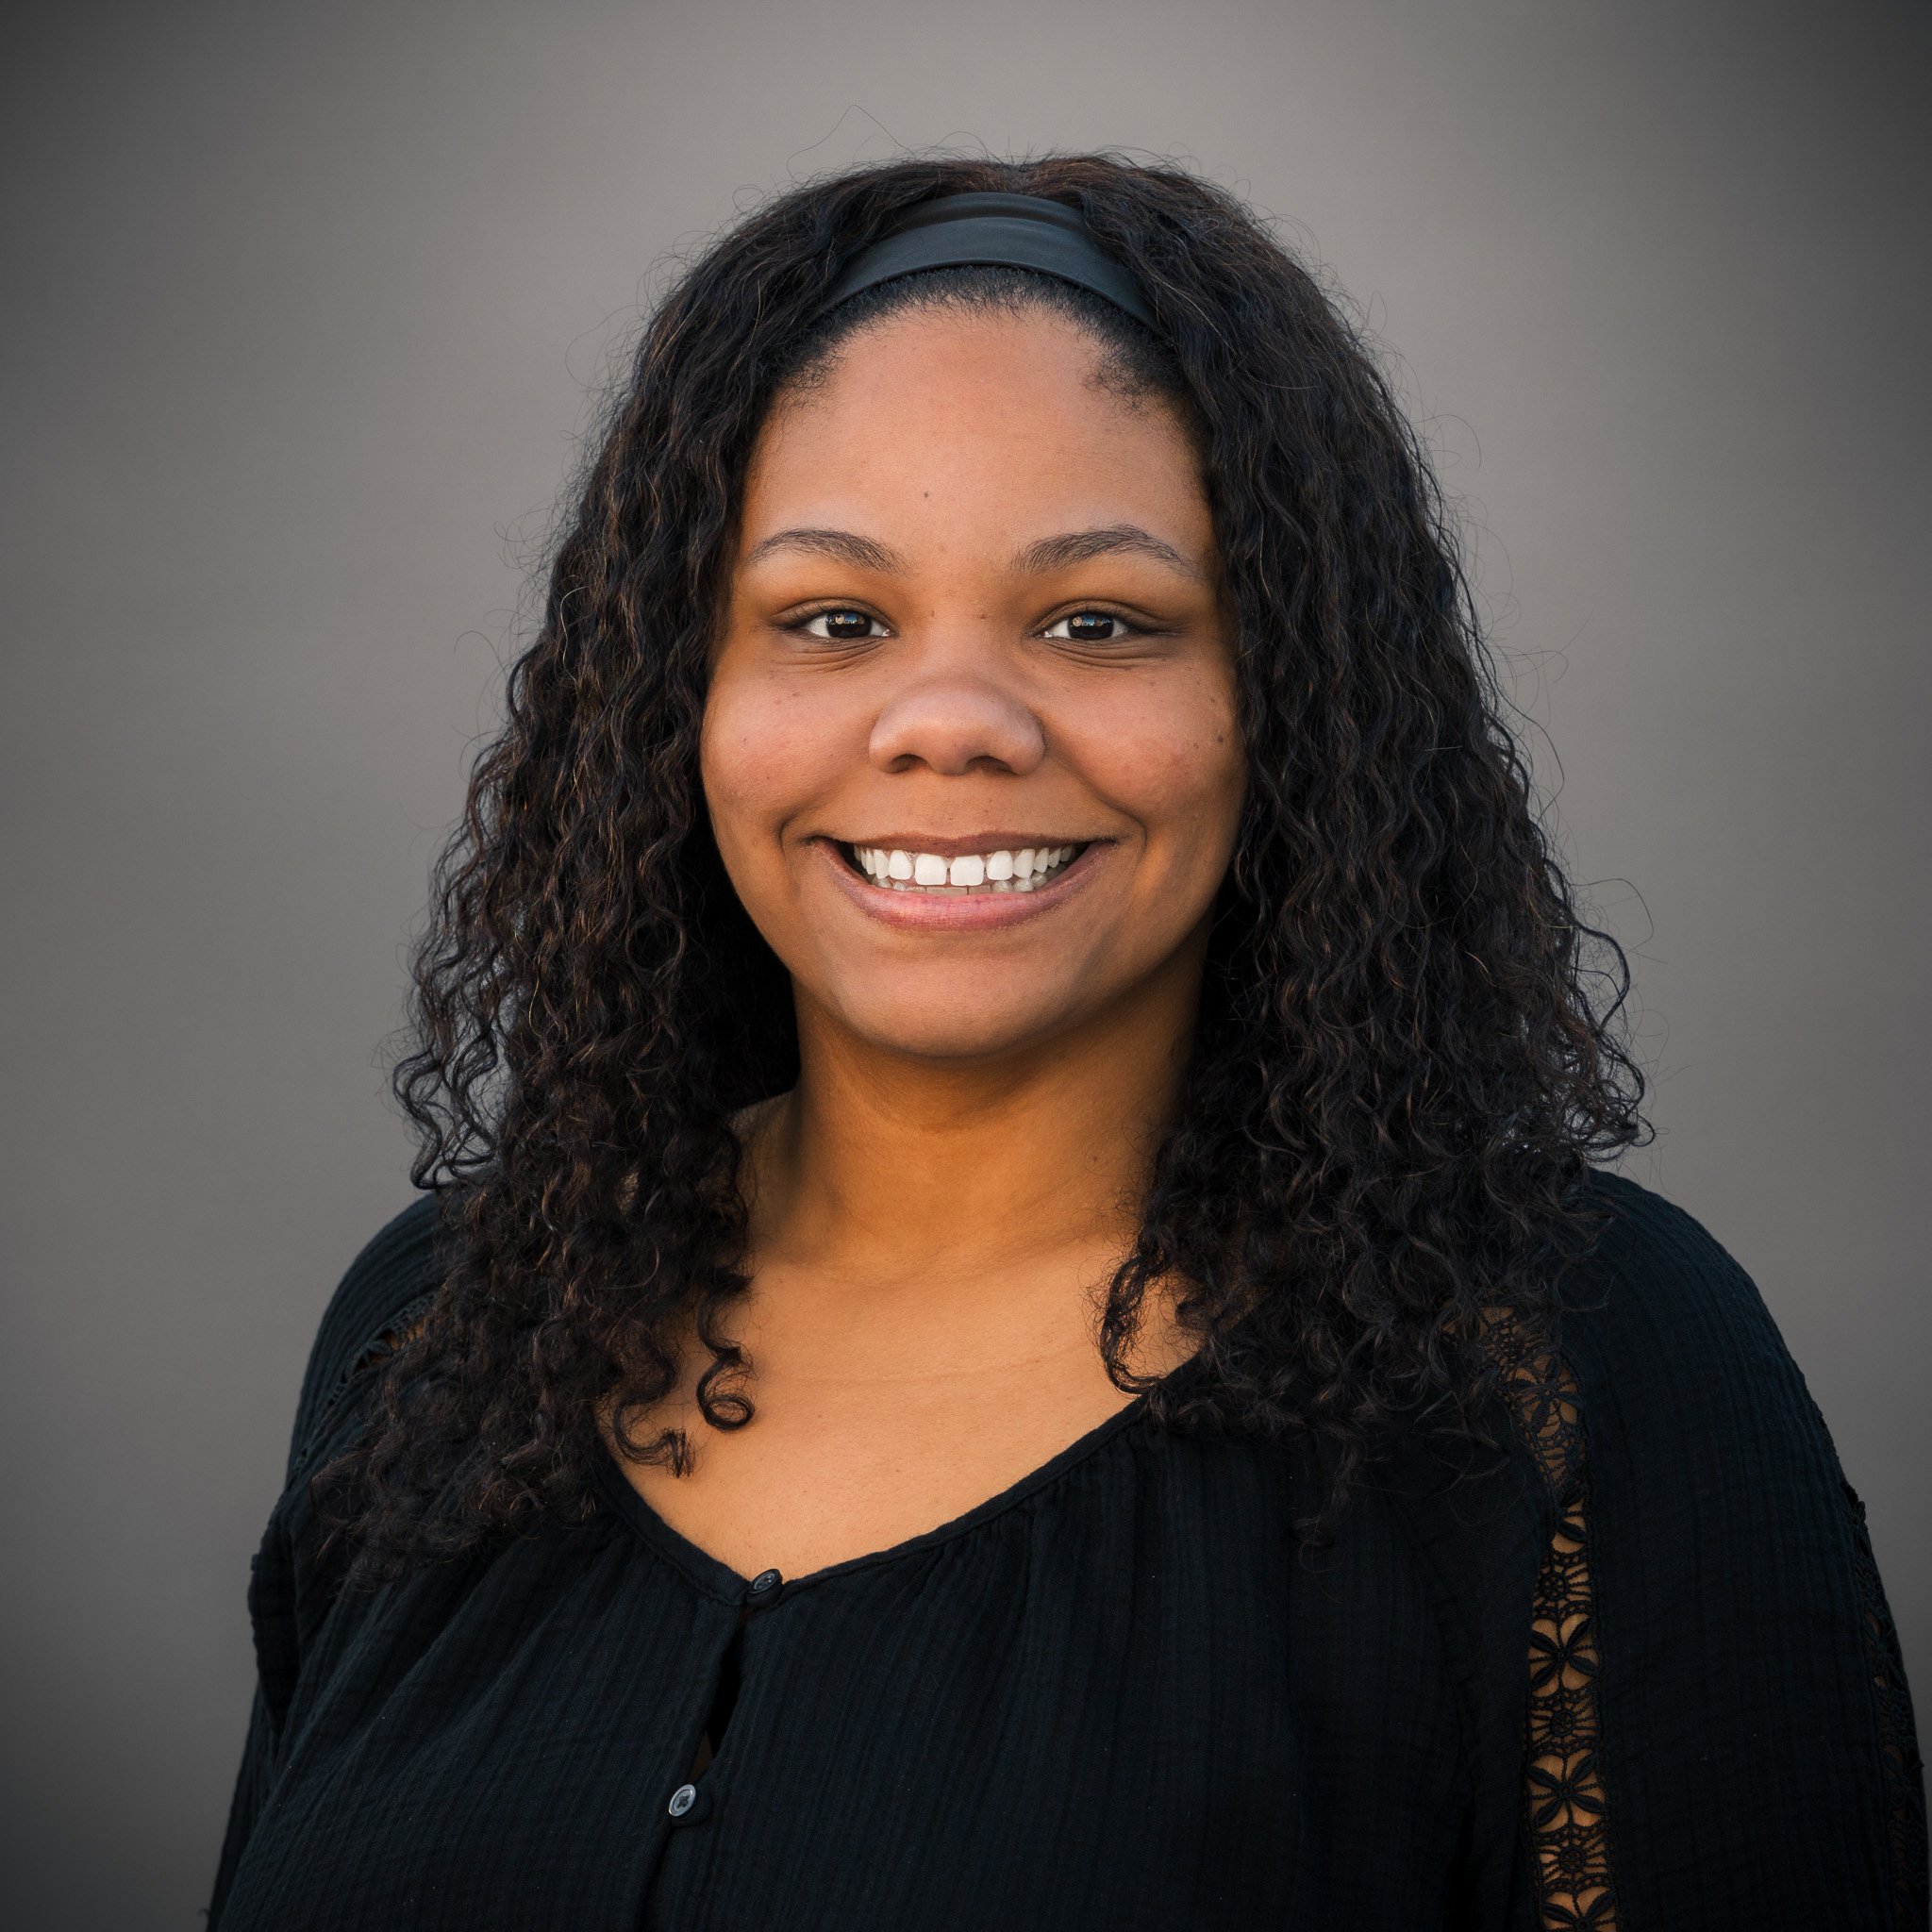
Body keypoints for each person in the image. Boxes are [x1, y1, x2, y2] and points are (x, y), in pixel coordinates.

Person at [208, 157, 1925, 1930]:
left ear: (1287, 708)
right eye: (832, 620)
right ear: (679, 704)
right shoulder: (444, 1331)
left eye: (1098, 622)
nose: (949, 721)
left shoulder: (1561, 1369)